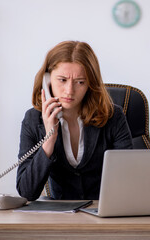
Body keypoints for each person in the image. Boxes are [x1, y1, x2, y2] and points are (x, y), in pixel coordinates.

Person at [16, 41, 133, 201]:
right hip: (62, 220)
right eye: (62, 80)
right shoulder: (33, 120)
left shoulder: (113, 116)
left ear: (90, 84)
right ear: (47, 79)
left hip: (106, 214)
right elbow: (26, 191)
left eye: (80, 82)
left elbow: (128, 178)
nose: (69, 91)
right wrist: (49, 139)